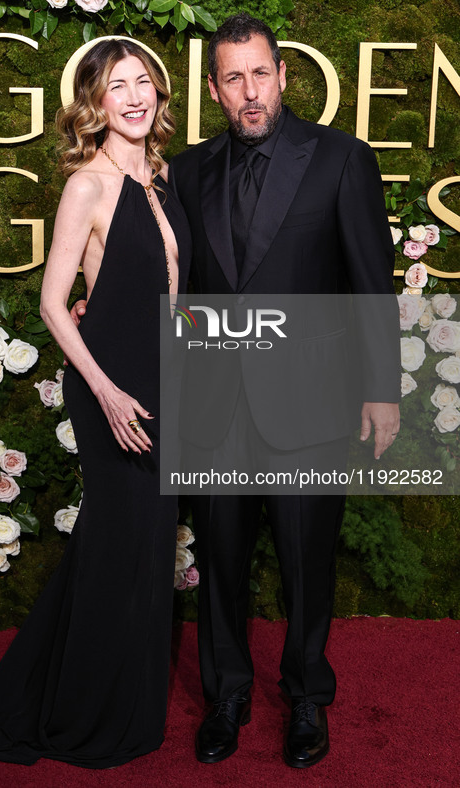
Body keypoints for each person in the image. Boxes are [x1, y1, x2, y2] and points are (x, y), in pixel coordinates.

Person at [0, 38, 190, 769]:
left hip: (162, 383)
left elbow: (170, 292)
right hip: (110, 389)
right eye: (116, 86)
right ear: (93, 104)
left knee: (139, 554)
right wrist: (106, 390)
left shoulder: (162, 177)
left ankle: (116, 703)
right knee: (117, 551)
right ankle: (81, 716)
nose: (133, 96)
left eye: (142, 83)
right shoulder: (86, 186)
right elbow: (54, 305)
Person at [166, 14, 400, 770]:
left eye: (259, 73)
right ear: (213, 89)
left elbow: (370, 284)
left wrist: (380, 391)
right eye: (232, 78)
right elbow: (167, 283)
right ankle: (227, 694)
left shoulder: (340, 158)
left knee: (307, 559)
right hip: (215, 403)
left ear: (283, 75)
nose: (249, 90)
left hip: (310, 402)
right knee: (222, 561)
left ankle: (306, 696)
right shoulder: (188, 169)